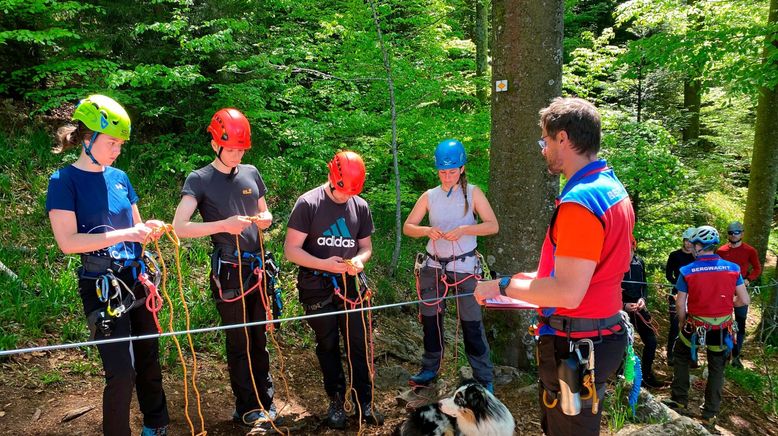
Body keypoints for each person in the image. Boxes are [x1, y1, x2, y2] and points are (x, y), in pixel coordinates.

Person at [473, 97, 635, 435]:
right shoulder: (610, 188)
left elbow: (567, 292)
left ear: (562, 138)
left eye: (544, 140)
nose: (542, 148)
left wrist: (501, 285)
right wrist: (515, 284)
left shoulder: (581, 203)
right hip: (597, 335)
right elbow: (575, 275)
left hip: (575, 342)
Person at [46, 95, 170, 436]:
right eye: (112, 142)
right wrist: (127, 231)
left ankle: (156, 425)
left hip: (135, 277)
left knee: (148, 357)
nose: (117, 149)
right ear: (88, 140)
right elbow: (68, 241)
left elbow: (136, 229)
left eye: (120, 143)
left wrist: (147, 230)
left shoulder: (120, 178)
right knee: (121, 371)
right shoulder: (63, 182)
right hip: (101, 283)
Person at [172, 108, 277, 431]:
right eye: (231, 148)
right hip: (229, 269)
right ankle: (246, 406)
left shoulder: (251, 172)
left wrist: (265, 219)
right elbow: (180, 226)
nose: (237, 154)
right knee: (239, 339)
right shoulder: (199, 179)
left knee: (258, 336)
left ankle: (266, 401)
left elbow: (266, 212)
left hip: (257, 265)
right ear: (216, 144)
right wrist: (224, 225)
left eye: (242, 148)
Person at [284, 150, 384, 429]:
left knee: (357, 342)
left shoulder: (360, 206)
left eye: (350, 193)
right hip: (317, 284)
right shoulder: (308, 203)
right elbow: (291, 250)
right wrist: (324, 264)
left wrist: (359, 261)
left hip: (349, 284)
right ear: (331, 176)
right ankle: (337, 399)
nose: (344, 197)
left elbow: (366, 247)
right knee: (327, 343)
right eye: (341, 191)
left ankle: (364, 400)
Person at [402, 139, 498, 391]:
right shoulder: (430, 196)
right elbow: (408, 227)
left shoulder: (473, 193)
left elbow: (492, 225)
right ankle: (430, 367)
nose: (447, 177)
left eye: (452, 171)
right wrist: (426, 230)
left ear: (462, 168)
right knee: (431, 321)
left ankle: (483, 376)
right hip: (433, 265)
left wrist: (465, 229)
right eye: (443, 172)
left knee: (471, 322)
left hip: (464, 266)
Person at [668, 225, 750, 428]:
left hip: (695, 325)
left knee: (680, 355)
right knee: (717, 367)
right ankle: (710, 413)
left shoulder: (687, 271)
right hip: (723, 327)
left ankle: (679, 399)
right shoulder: (733, 269)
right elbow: (744, 299)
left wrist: (681, 321)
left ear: (698, 246)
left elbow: (680, 303)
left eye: (694, 245)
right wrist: (727, 307)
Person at [716, 221, 761, 368]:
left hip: (741, 290)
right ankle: (724, 352)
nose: (733, 235)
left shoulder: (750, 250)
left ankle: (736, 355)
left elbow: (757, 268)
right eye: (731, 232)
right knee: (724, 322)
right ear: (727, 234)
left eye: (736, 232)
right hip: (724, 292)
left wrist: (748, 279)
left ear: (742, 233)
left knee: (740, 323)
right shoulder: (721, 251)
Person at [622, 238, 662, 388]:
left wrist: (642, 299)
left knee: (651, 341)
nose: (629, 253)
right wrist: (622, 305)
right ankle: (624, 377)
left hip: (638, 308)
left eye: (631, 250)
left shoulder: (639, 262)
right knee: (623, 344)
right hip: (620, 310)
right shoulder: (614, 263)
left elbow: (644, 285)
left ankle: (646, 375)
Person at [664, 227, 697, 364]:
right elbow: (668, 275)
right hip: (677, 292)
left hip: (694, 293)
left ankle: (692, 356)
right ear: (683, 241)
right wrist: (679, 285)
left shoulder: (696, 257)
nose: (688, 244)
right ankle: (670, 354)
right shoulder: (675, 255)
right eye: (686, 241)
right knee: (675, 324)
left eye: (691, 241)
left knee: (693, 325)